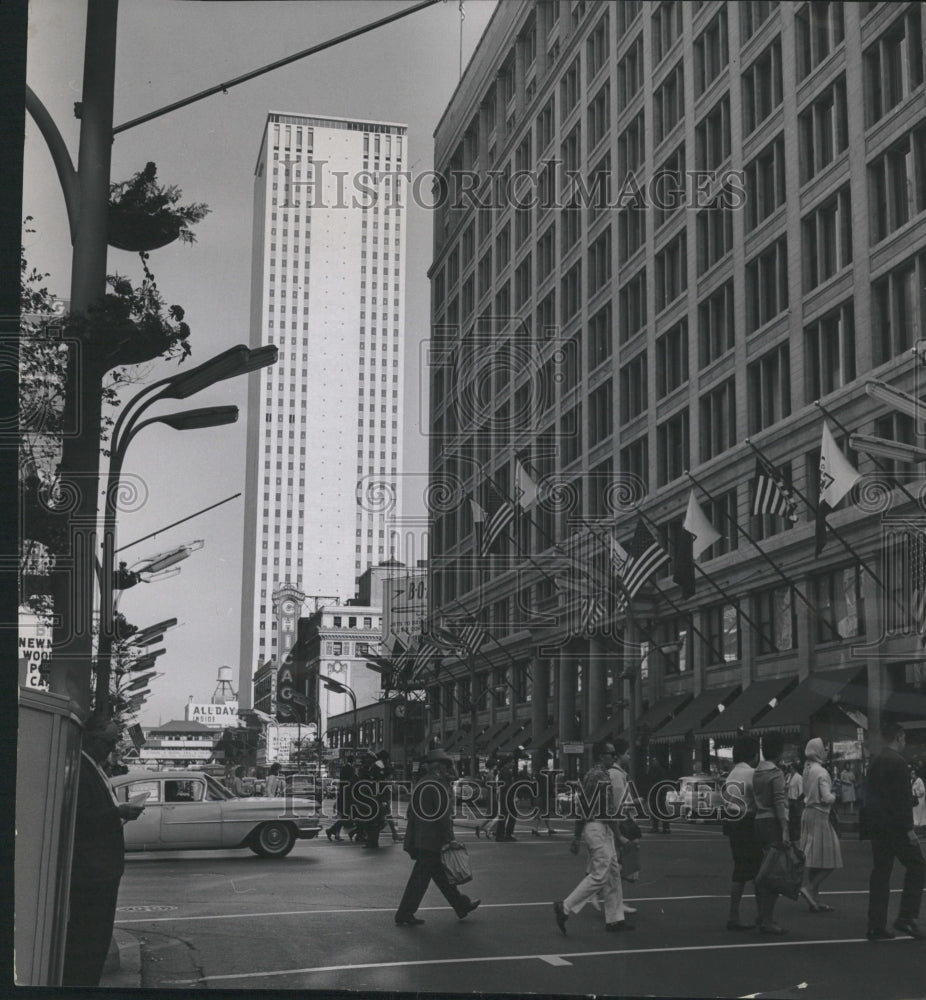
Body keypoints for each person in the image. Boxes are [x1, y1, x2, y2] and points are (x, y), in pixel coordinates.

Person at [62, 715, 146, 986]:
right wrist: (118, 813)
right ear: (93, 739)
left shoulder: (94, 767)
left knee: (96, 937)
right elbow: (80, 817)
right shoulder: (81, 769)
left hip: (101, 869)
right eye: (109, 742)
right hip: (92, 872)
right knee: (90, 938)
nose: (113, 748)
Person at [553, 742, 634, 935]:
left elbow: (582, 806)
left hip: (595, 827)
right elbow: (608, 810)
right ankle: (564, 906)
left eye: (614, 754)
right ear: (600, 757)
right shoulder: (601, 777)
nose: (614, 757)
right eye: (610, 754)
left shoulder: (591, 775)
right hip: (599, 827)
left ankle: (615, 920)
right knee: (601, 874)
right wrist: (619, 835)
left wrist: (576, 836)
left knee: (613, 872)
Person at [395, 748, 481, 926]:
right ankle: (404, 913)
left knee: (441, 877)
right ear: (441, 767)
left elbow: (412, 812)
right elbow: (443, 816)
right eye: (447, 766)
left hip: (422, 837)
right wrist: (450, 839)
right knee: (420, 880)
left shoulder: (423, 782)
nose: (450, 770)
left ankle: (460, 905)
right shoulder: (437, 785)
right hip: (431, 840)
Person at [862, 720, 925, 940]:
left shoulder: (876, 761)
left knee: (881, 873)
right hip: (896, 827)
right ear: (899, 737)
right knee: (918, 866)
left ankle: (876, 924)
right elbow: (902, 800)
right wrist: (909, 829)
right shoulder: (898, 762)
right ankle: (906, 917)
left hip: (878, 827)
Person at [722, 733, 761, 932]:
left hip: (733, 824)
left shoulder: (732, 774)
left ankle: (734, 914)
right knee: (758, 871)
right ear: (753, 754)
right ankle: (762, 915)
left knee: (740, 870)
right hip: (748, 824)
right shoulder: (751, 774)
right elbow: (761, 800)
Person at [752, 731, 790, 935]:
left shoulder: (757, 771)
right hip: (772, 823)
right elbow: (779, 803)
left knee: (762, 870)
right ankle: (768, 919)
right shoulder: (776, 773)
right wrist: (785, 829)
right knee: (775, 873)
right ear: (779, 750)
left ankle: (761, 914)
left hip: (758, 821)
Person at [798, 738, 842, 912]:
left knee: (813, 855)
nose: (825, 750)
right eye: (823, 748)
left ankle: (813, 896)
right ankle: (809, 887)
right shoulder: (822, 772)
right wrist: (835, 794)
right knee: (830, 858)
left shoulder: (807, 770)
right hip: (821, 815)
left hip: (808, 813)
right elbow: (826, 798)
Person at [326, 762, 356, 842]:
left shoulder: (345, 783)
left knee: (344, 818)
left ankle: (334, 832)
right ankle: (333, 832)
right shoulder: (349, 783)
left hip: (343, 802)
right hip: (345, 803)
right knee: (345, 818)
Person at [495, 754, 518, 842]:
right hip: (507, 796)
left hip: (506, 796)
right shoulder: (505, 771)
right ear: (507, 763)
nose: (513, 764)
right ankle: (505, 834)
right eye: (512, 762)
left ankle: (503, 834)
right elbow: (506, 785)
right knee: (509, 814)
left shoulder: (504, 771)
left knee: (507, 814)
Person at [786, 762, 804, 843]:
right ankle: (792, 837)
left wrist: (798, 801)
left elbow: (801, 792)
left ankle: (797, 838)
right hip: (789, 800)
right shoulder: (789, 777)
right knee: (790, 820)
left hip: (796, 801)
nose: (790, 768)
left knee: (796, 820)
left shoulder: (799, 777)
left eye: (791, 767)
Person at [912, 765, 926, 835]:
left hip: (919, 800)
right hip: (914, 800)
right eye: (911, 773)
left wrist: (916, 793)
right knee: (915, 814)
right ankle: (917, 828)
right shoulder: (911, 781)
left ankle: (920, 829)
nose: (912, 775)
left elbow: (922, 791)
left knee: (920, 814)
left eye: (913, 773)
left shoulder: (919, 780)